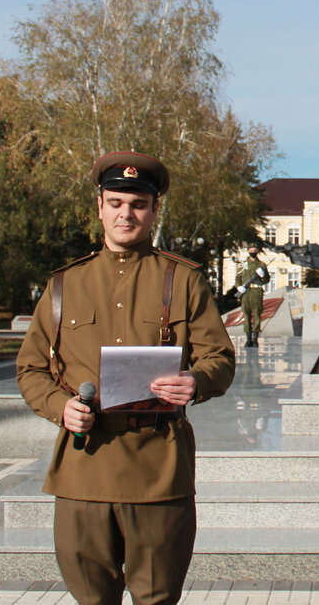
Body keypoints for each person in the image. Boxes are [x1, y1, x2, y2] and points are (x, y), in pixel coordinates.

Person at [16, 151, 236, 605]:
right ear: (99, 206)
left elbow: (220, 357)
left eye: (137, 204)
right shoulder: (63, 286)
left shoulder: (183, 280)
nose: (126, 214)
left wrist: (195, 382)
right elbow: (31, 368)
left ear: (154, 210)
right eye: (115, 203)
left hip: (158, 469)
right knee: (91, 598)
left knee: (156, 598)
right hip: (83, 468)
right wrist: (61, 408)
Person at [236, 246, 269, 347]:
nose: (252, 252)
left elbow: (266, 280)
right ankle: (248, 339)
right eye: (251, 251)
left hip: (256, 291)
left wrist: (263, 275)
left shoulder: (261, 265)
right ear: (248, 251)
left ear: (257, 251)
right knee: (246, 315)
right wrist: (239, 287)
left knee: (257, 315)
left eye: (254, 250)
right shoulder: (243, 264)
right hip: (245, 292)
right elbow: (238, 278)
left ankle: (255, 339)